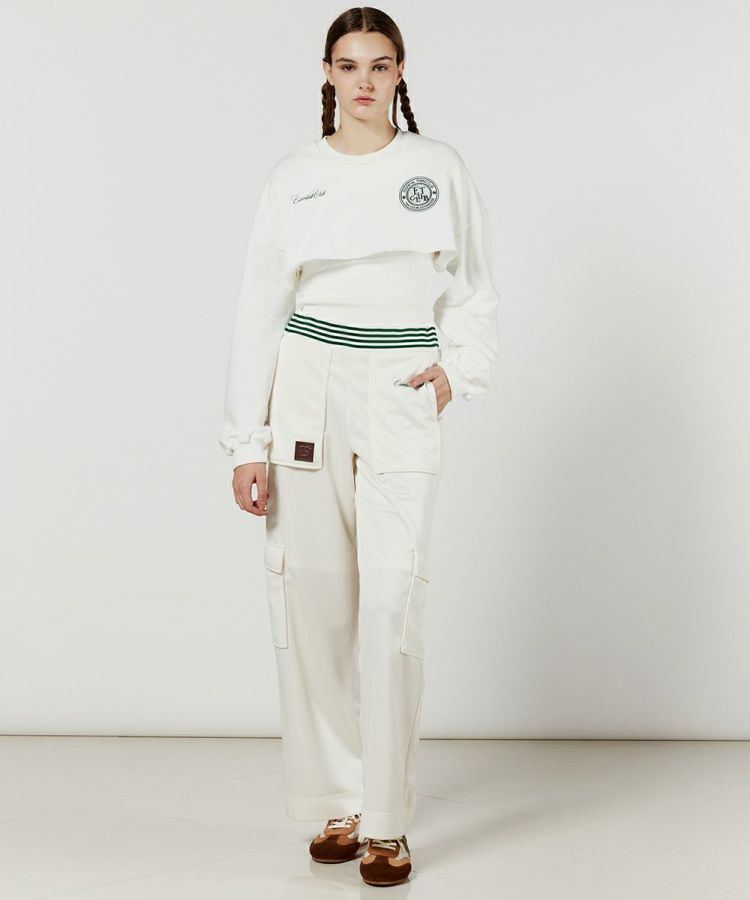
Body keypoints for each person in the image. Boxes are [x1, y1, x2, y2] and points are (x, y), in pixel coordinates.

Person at [218, 7, 500, 888]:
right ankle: (339, 804)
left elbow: (473, 290)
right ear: (328, 73)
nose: (365, 80)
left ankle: (387, 821)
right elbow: (259, 310)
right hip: (308, 386)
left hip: (400, 385)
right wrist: (247, 439)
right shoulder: (295, 177)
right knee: (314, 600)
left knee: (389, 601)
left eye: (380, 64)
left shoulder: (436, 168)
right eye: (349, 65)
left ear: (400, 71)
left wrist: (460, 370)